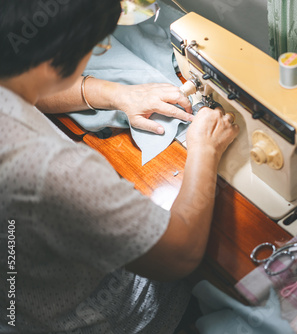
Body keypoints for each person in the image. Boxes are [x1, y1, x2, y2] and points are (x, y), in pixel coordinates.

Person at [0, 1, 239, 333]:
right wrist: (205, 150)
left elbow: (28, 82)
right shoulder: (53, 170)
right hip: (113, 318)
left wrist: (113, 93)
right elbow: (180, 255)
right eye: (99, 45)